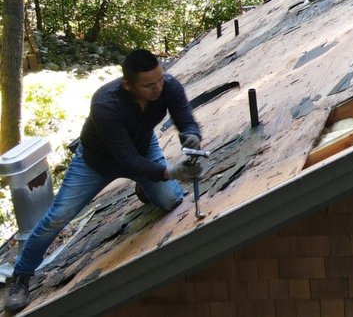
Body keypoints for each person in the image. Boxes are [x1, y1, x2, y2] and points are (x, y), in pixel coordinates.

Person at [4, 50, 204, 313]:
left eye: (160, 80)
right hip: (95, 162)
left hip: (142, 147)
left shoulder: (169, 86)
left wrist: (191, 137)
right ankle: (21, 276)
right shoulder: (105, 104)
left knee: (171, 199)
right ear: (128, 85)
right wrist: (168, 172)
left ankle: (146, 188)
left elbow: (185, 119)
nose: (158, 88)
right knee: (58, 215)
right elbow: (126, 159)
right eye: (149, 85)